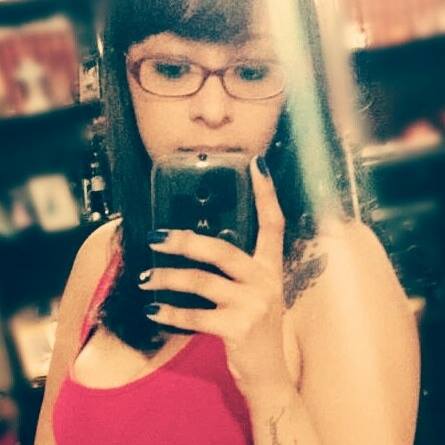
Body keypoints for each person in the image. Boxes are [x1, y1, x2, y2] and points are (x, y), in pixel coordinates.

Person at [35, 0, 420, 444]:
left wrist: (267, 382)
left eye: (252, 72)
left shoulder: (340, 270)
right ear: (123, 79)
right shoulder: (102, 255)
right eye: (172, 70)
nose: (213, 110)